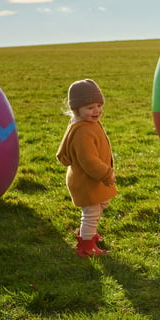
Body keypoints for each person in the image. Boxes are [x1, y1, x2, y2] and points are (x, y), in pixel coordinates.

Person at [56, 79, 117, 258]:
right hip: (87, 179)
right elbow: (89, 160)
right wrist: (106, 173)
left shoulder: (87, 123)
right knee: (91, 211)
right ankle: (86, 246)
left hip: (91, 178)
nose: (97, 110)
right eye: (90, 107)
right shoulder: (82, 131)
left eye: (99, 105)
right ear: (77, 110)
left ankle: (86, 233)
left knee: (101, 204)